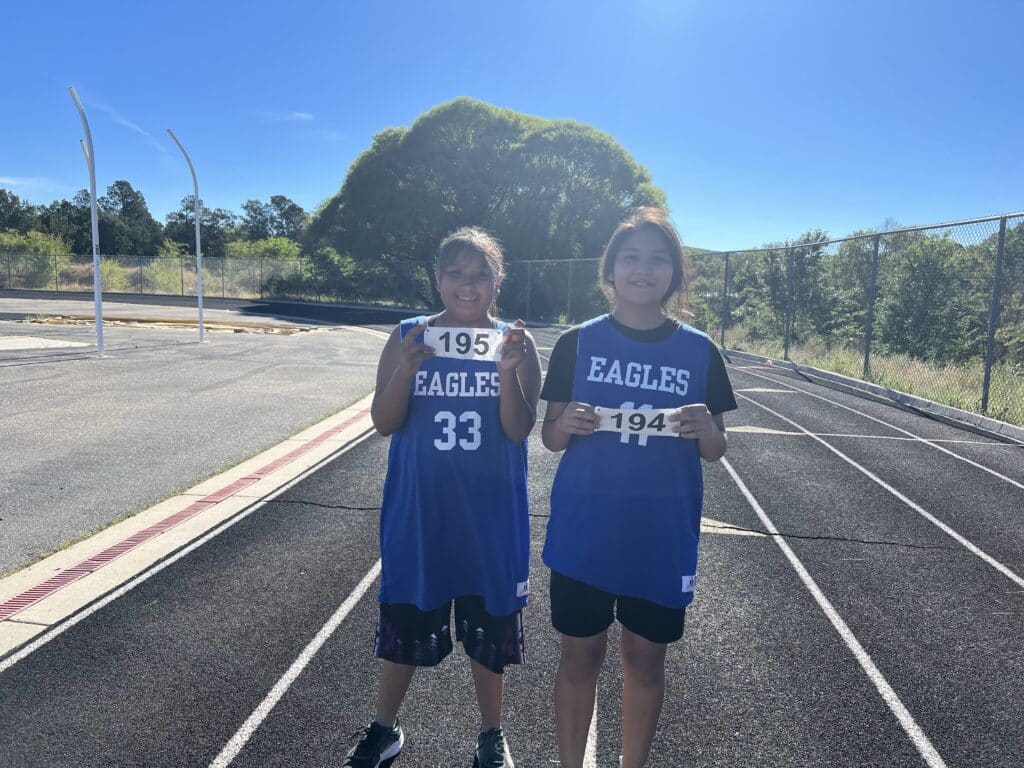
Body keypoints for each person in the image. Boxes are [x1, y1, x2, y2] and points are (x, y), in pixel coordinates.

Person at [540, 207, 737, 768]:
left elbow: (717, 447)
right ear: (610, 268)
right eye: (631, 257)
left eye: (657, 259)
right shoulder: (577, 343)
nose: (643, 270)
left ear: (675, 273)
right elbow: (551, 438)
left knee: (645, 661)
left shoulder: (700, 350)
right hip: (585, 533)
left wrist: (707, 430)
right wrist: (565, 423)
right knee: (579, 659)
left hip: (660, 538)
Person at [344, 227, 541, 768]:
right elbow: (384, 422)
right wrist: (408, 368)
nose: (468, 285)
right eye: (456, 273)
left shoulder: (515, 343)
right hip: (421, 513)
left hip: (489, 517)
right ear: (439, 278)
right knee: (403, 619)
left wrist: (508, 373)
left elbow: (519, 429)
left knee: (488, 630)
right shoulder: (409, 335)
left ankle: (491, 734)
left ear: (499, 280)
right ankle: (384, 728)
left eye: (480, 274)